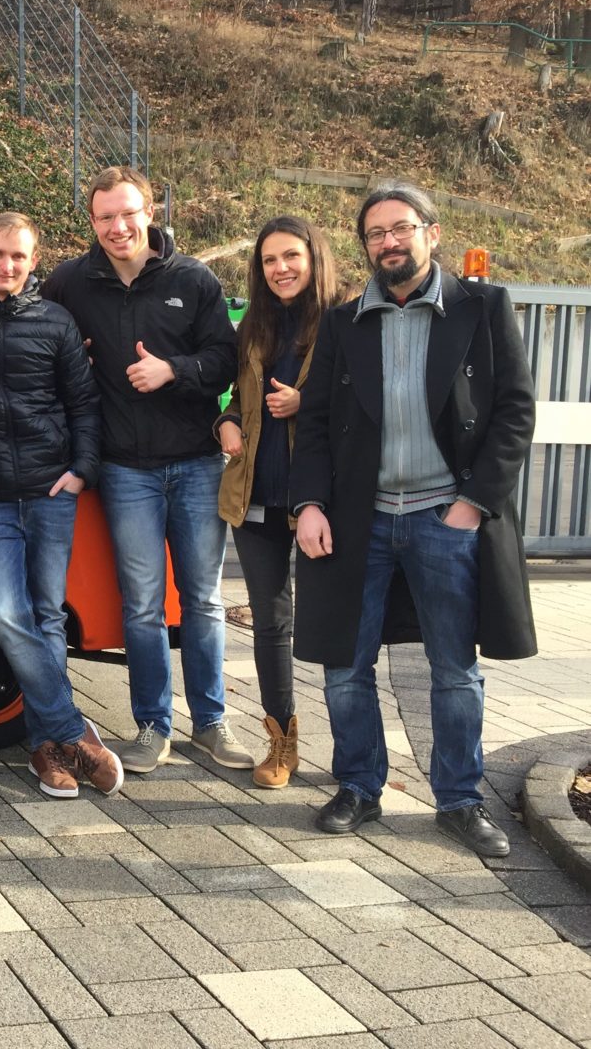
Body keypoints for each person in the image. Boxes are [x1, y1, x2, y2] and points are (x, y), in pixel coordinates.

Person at [292, 181, 536, 857]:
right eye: (374, 234)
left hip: (443, 517)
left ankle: (458, 801)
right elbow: (311, 423)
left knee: (453, 671)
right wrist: (308, 503)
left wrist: (472, 504)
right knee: (344, 666)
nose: (388, 242)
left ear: (430, 232)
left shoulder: (482, 307)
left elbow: (514, 411)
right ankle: (359, 789)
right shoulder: (344, 323)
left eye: (400, 228)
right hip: (356, 521)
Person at [42, 167, 249, 775]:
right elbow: (32, 328)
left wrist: (172, 371)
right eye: (104, 216)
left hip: (196, 464)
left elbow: (226, 361)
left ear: (149, 213)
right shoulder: (70, 284)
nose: (117, 226)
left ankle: (211, 724)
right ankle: (153, 726)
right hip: (125, 470)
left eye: (127, 213)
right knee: (141, 605)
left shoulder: (193, 280)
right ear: (92, 222)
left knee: (205, 600)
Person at [0, 213, 123, 799]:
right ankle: (74, 731)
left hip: (51, 493)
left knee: (49, 615)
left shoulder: (55, 321)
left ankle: (48, 751)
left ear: (33, 259)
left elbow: (84, 402)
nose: (7, 266)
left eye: (19, 257)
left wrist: (82, 470)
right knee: (7, 615)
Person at [215, 217, 343, 788]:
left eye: (291, 256)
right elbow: (225, 392)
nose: (281, 268)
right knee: (271, 621)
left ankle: (355, 748)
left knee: (338, 621)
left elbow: (369, 405)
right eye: (269, 260)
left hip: (324, 498)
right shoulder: (251, 326)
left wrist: (307, 401)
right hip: (256, 492)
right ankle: (281, 743)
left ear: (314, 258)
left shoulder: (346, 319)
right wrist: (224, 422)